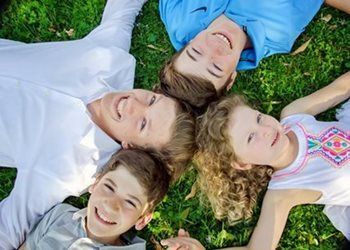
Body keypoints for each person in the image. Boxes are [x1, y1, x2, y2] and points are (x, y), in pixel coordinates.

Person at [0, 0, 195, 249]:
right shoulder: (113, 65)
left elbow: (9, 229)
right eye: (151, 99)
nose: (133, 103)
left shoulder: (70, 169)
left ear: (131, 146)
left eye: (143, 124)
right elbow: (122, 12)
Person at [194, 72, 350, 249]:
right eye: (251, 137)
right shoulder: (283, 191)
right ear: (243, 163)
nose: (265, 129)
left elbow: (341, 88)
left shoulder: (294, 115)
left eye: (259, 118)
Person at [158, 0, 350, 109]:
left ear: (187, 44)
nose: (213, 48)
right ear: (231, 78)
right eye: (216, 68)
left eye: (196, 52)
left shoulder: (179, 23)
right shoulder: (281, 28)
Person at [19, 149, 171, 249]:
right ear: (95, 183)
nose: (112, 205)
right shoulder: (60, 215)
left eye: (130, 202)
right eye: (109, 187)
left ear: (142, 219)